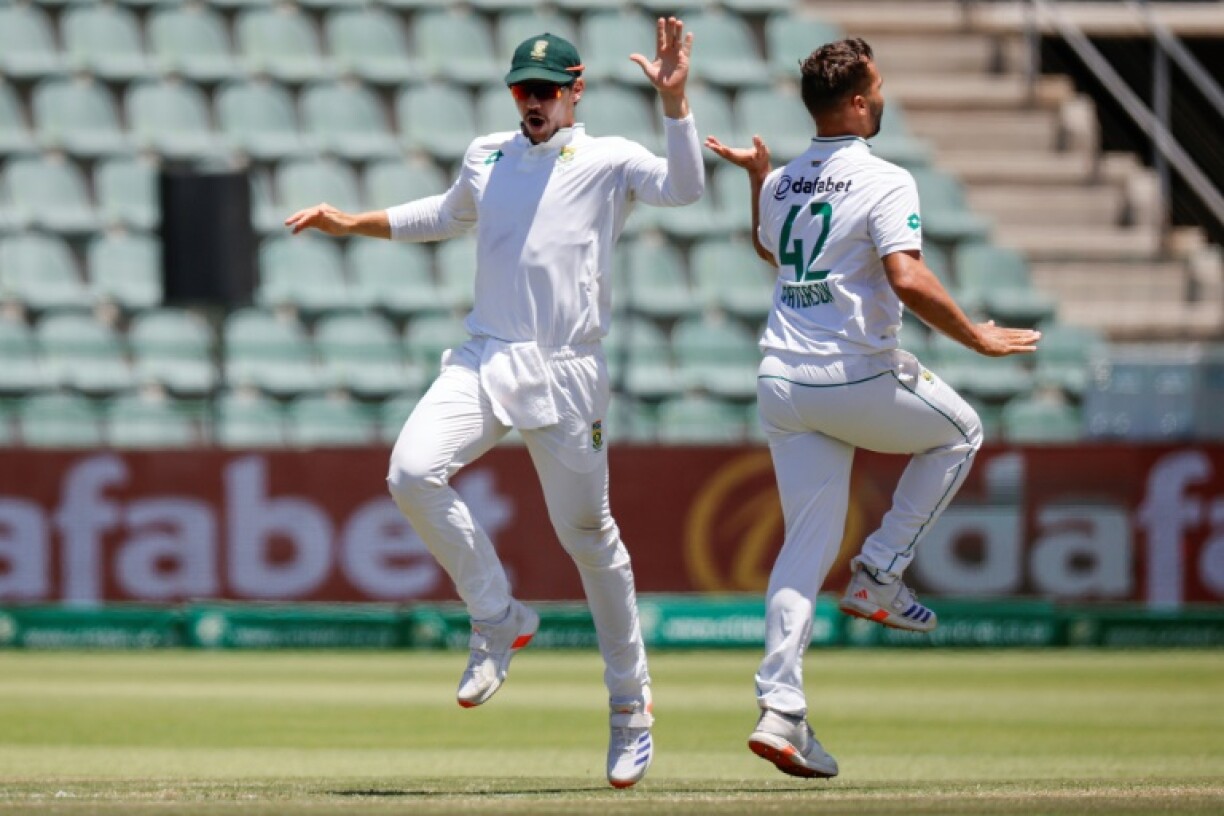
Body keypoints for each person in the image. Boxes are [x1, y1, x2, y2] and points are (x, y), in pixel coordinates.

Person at [284, 21, 703, 788]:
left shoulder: (608, 159)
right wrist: (354, 221)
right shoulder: (488, 152)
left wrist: (676, 107)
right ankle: (498, 618)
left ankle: (629, 705)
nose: (532, 102)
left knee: (589, 540)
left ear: (576, 91)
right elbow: (444, 215)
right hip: (485, 356)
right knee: (411, 473)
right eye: (521, 89)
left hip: (569, 370)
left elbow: (685, 188)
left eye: (545, 90)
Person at [706, 37, 1040, 779]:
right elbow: (907, 276)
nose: (883, 96)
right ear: (857, 101)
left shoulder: (789, 179)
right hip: (850, 375)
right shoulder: (885, 178)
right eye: (878, 86)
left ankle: (780, 710)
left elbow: (773, 248)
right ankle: (882, 571)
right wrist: (977, 337)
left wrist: (759, 176)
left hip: (781, 384)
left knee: (803, 550)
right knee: (961, 432)